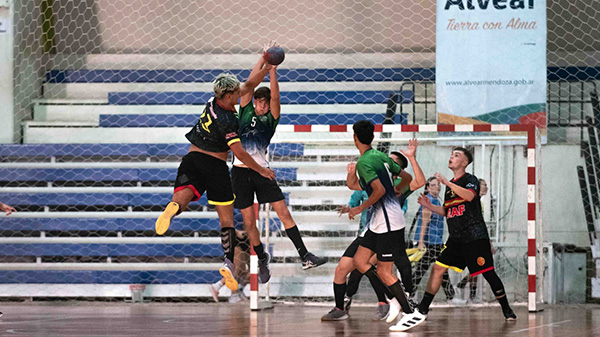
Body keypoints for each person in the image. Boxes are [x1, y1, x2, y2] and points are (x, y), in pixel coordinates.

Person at [154, 49, 277, 292]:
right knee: (226, 220)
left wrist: (265, 62)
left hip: (191, 158)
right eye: (236, 93)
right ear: (229, 95)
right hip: (215, 167)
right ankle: (228, 264)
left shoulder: (213, 101)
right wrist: (261, 171)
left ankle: (173, 208)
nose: (239, 94)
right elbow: (240, 153)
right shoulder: (228, 120)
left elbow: (249, 83)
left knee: (184, 195)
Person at [390, 148, 516, 332]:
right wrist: (429, 206)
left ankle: (506, 308)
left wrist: (447, 182)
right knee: (437, 269)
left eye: (457, 155)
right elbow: (447, 211)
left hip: (474, 238)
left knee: (488, 274)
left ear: (464, 163)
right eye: (451, 154)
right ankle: (423, 309)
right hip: (455, 240)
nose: (452, 157)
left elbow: (469, 196)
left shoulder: (469, 180)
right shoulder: (449, 190)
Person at [231, 53, 326, 284]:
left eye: (266, 102)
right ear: (254, 101)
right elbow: (249, 83)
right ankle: (262, 259)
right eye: (260, 101)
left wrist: (272, 69)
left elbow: (276, 97)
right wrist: (261, 60)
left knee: (284, 213)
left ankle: (305, 255)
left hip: (263, 170)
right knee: (249, 223)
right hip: (240, 172)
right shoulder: (245, 111)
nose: (263, 105)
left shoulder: (271, 118)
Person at [322, 120, 425, 323]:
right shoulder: (379, 158)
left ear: (355, 138)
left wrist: (360, 208)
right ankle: (393, 298)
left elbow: (380, 190)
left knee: (387, 270)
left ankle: (408, 309)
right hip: (377, 223)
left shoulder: (368, 162)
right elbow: (403, 177)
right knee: (360, 262)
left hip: (388, 221)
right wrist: (351, 175)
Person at [411, 177, 455, 301]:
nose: (437, 187)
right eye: (434, 185)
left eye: (438, 185)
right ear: (428, 188)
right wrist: (421, 242)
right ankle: (451, 297)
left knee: (435, 270)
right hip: (430, 243)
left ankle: (409, 294)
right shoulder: (428, 201)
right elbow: (424, 223)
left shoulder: (436, 202)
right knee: (427, 270)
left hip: (436, 241)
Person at [455, 178, 490, 303]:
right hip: (471, 238)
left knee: (477, 266)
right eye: (484, 185)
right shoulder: (471, 201)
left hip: (477, 236)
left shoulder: (479, 203)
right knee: (479, 266)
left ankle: (468, 292)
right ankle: (465, 289)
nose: (487, 187)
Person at [210, 230, 251, 303]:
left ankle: (238, 290)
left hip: (247, 237)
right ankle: (233, 295)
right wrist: (236, 230)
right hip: (236, 237)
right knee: (236, 270)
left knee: (252, 269)